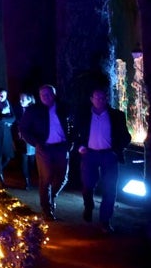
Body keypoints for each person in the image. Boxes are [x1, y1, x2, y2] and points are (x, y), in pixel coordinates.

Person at [75, 87, 132, 232]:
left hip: (109, 155)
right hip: (90, 154)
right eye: (97, 97)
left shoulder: (117, 116)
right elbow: (76, 132)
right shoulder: (84, 115)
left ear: (107, 98)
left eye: (102, 97)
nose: (100, 100)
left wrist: (116, 150)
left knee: (110, 188)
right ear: (91, 99)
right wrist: (80, 146)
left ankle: (105, 220)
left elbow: (126, 136)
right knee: (88, 184)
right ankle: (89, 205)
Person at [18, 84, 73, 221]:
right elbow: (24, 128)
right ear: (39, 96)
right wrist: (36, 143)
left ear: (54, 94)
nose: (46, 97)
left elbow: (73, 125)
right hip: (44, 148)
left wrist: (71, 142)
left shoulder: (63, 108)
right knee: (46, 178)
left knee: (63, 177)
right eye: (43, 95)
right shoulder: (33, 111)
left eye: (48, 94)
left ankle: (52, 195)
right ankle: (47, 209)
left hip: (61, 147)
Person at [13, 92, 37, 189]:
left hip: (31, 138)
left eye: (23, 99)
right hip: (21, 138)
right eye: (20, 99)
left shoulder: (34, 110)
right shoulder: (18, 110)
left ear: (29, 100)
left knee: (31, 159)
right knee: (23, 159)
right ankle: (26, 180)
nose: (20, 101)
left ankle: (30, 178)